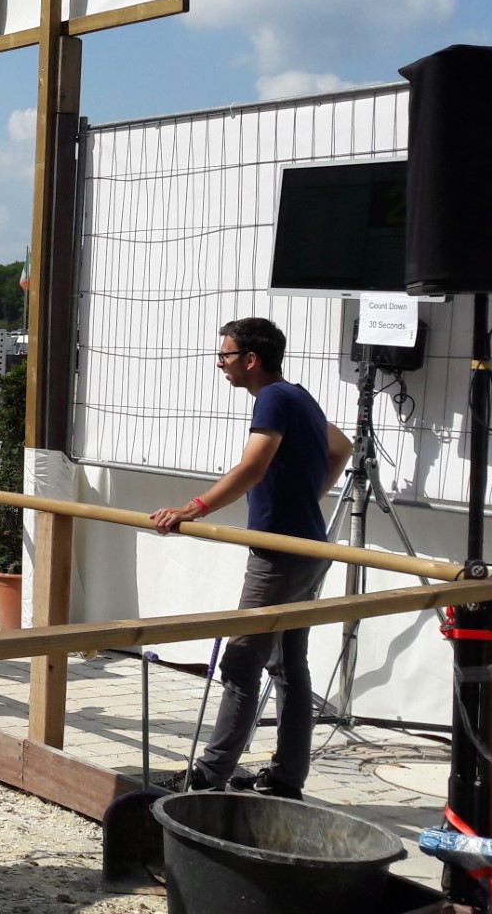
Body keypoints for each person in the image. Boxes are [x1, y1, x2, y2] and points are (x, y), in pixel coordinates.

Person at [153, 317, 352, 799]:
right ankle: (286, 779)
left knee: (242, 662)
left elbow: (253, 465)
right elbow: (341, 448)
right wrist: (308, 496)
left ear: (250, 359)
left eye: (224, 355)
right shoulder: (299, 396)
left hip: (280, 554)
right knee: (288, 665)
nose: (219, 364)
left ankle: (209, 776)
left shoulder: (273, 398)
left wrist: (192, 508)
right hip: (306, 547)